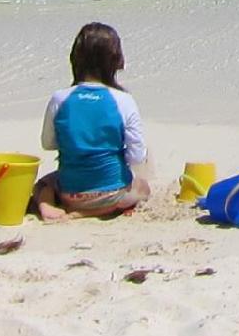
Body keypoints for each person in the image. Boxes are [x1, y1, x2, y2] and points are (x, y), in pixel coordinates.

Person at [32, 22, 151, 220]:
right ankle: (90, 211)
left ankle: (48, 205)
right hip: (114, 196)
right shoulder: (123, 100)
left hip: (70, 194)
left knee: (43, 185)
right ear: (115, 61)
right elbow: (136, 156)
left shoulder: (60, 98)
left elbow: (48, 143)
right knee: (143, 187)